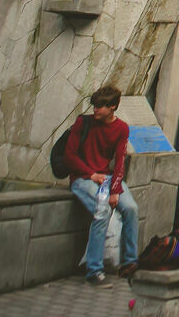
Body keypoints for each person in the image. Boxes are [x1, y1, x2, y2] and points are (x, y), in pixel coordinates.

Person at [64, 85, 139, 286]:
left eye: (100, 106)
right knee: (102, 211)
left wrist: (115, 189)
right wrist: (91, 174)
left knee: (131, 208)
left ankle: (130, 263)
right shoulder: (83, 122)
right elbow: (69, 156)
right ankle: (94, 271)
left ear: (113, 107)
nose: (95, 109)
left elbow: (120, 161)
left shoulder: (121, 128)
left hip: (106, 179)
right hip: (82, 178)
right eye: (95, 105)